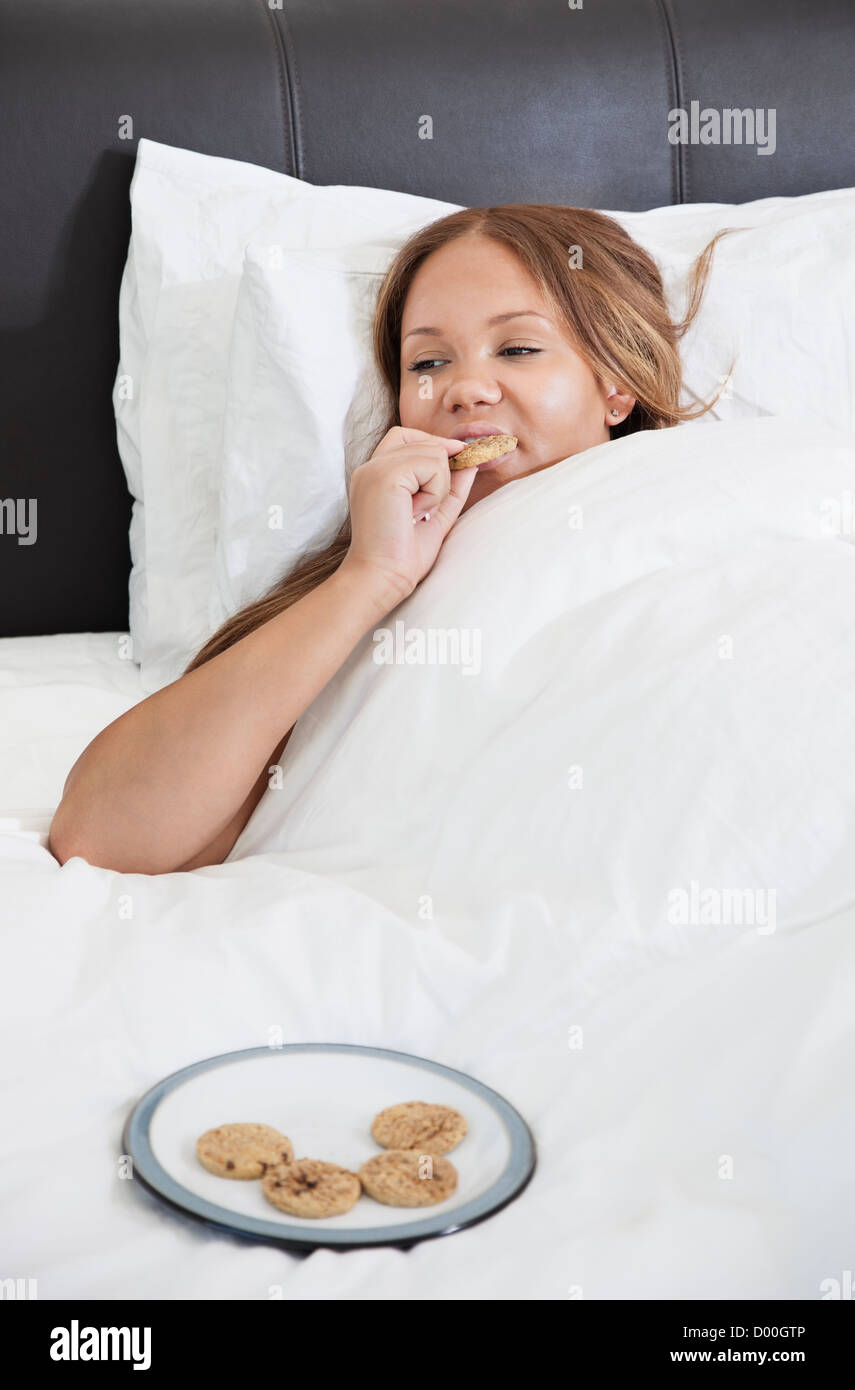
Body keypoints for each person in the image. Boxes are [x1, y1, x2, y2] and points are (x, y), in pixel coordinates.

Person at [49, 204, 727, 874]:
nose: (464, 388)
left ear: (616, 386)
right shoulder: (366, 585)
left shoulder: (714, 508)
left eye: (517, 348)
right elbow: (99, 837)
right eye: (428, 362)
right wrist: (369, 578)